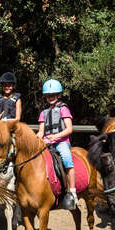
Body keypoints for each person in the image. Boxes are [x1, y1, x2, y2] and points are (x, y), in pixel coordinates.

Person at [37, 79, 77, 210]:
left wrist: (56, 136)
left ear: (59, 95)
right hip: (47, 143)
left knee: (66, 159)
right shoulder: (43, 112)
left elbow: (69, 129)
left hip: (61, 142)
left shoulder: (63, 109)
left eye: (53, 94)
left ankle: (72, 190)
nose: (50, 97)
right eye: (48, 95)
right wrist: (36, 140)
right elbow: (41, 132)